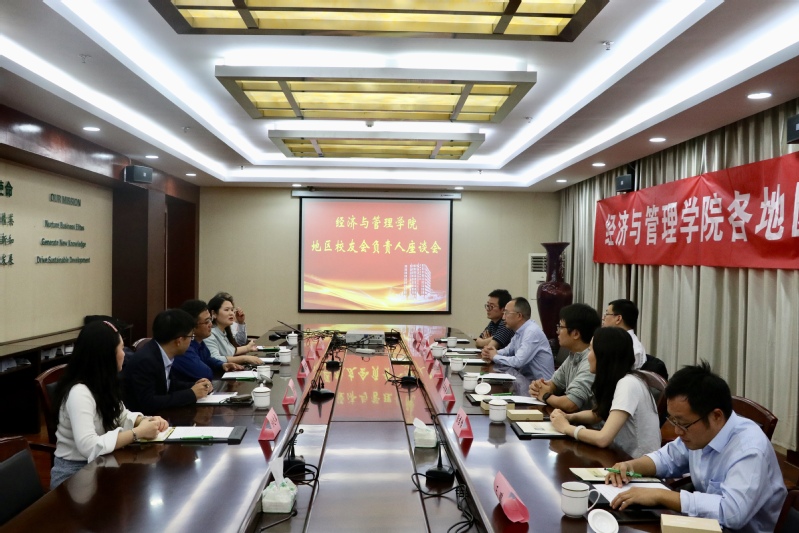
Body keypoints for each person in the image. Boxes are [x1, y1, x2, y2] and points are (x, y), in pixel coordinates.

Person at [606, 362, 786, 533]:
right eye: (673, 420)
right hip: (703, 525)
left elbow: (731, 513)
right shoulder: (701, 432)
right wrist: (631, 466)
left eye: (683, 423)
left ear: (716, 416)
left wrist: (660, 495)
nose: (677, 431)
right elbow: (667, 458)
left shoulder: (750, 450)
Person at [50, 320, 168, 489]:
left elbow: (121, 414)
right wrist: (137, 433)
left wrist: (144, 420)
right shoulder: (79, 392)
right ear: (106, 355)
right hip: (74, 475)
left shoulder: (102, 382)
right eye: (121, 349)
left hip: (101, 464)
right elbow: (88, 446)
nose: (124, 354)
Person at [549, 327, 660, 458]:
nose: (588, 356)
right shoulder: (618, 380)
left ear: (604, 355)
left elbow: (603, 439)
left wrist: (566, 428)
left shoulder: (628, 384)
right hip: (620, 458)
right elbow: (597, 414)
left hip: (637, 465)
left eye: (591, 350)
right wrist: (569, 417)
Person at [121, 309, 213, 413]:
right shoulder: (146, 360)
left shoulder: (160, 352)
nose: (191, 341)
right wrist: (191, 394)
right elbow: (148, 402)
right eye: (191, 337)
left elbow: (168, 385)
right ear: (179, 341)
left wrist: (195, 386)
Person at [529, 303, 600, 412]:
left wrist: (545, 395)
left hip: (585, 422)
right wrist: (538, 387)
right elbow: (554, 385)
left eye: (561, 327)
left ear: (576, 334)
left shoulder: (590, 361)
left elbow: (571, 403)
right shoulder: (574, 355)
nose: (557, 331)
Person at [480, 297, 554, 381]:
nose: (503, 317)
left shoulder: (532, 332)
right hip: (525, 381)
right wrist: (490, 353)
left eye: (506, 313)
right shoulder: (520, 331)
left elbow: (518, 362)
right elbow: (508, 351)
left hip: (541, 385)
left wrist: (494, 356)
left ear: (519, 316)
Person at [170, 299, 244, 382]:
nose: (211, 324)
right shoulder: (184, 346)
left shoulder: (199, 342)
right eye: (206, 322)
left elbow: (208, 359)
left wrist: (222, 365)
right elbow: (204, 373)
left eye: (210, 319)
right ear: (192, 326)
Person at [204, 295, 262, 366]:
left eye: (232, 310)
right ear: (214, 313)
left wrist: (247, 348)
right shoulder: (209, 334)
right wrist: (244, 358)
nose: (231, 313)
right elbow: (215, 359)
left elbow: (232, 349)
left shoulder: (223, 331)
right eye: (226, 310)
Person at [602, 299, 646, 369]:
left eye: (607, 314)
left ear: (618, 319)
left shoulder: (634, 349)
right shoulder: (614, 341)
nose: (603, 318)